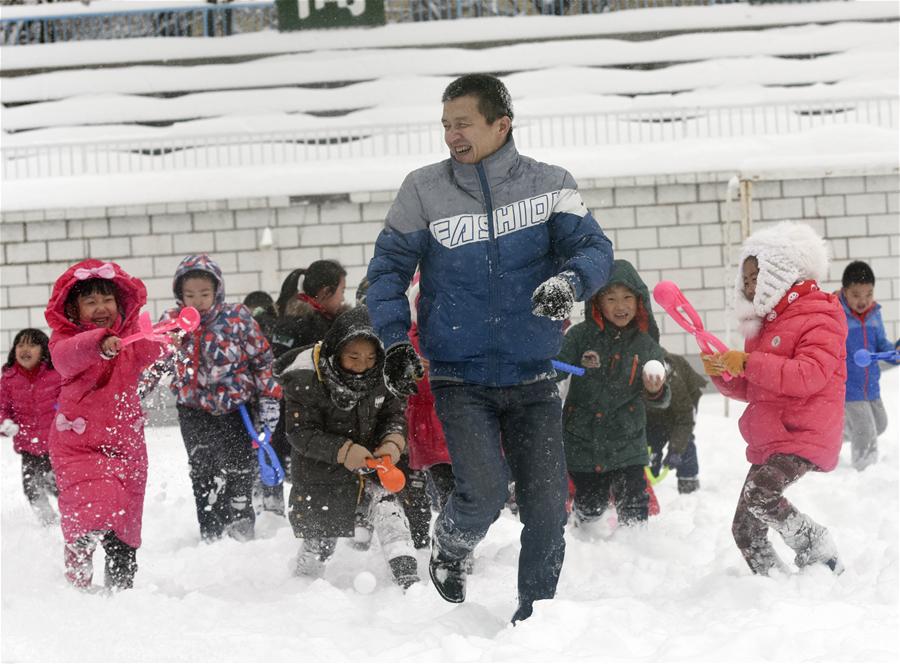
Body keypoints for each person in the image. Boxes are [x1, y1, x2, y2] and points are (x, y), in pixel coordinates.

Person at [366, 73, 613, 623]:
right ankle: (451, 546)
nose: (453, 135)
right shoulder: (423, 189)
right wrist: (392, 341)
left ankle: (536, 619)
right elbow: (386, 272)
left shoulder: (551, 183)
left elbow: (594, 248)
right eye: (446, 125)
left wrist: (570, 283)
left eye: (464, 124)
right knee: (482, 491)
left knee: (548, 509)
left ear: (501, 124)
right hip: (461, 376)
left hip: (532, 376)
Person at [703, 221, 846, 576]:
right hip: (774, 435)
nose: (749, 285)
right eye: (745, 278)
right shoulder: (766, 325)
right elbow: (757, 387)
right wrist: (724, 372)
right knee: (744, 528)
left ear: (781, 272)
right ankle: (773, 586)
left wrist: (749, 361)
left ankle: (816, 544)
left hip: (803, 431)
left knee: (760, 495)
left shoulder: (820, 315)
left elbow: (809, 374)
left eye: (756, 275)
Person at [43, 260, 167, 590]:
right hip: (79, 446)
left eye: (107, 300)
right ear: (73, 309)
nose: (101, 307)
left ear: (120, 303)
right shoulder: (63, 341)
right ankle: (78, 583)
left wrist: (169, 337)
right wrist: (99, 343)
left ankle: (121, 593)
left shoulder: (129, 340)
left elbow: (151, 348)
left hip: (126, 446)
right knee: (92, 511)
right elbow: (69, 356)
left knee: (123, 525)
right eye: (91, 301)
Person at [274, 307, 419, 589]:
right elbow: (300, 432)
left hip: (374, 462)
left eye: (370, 358)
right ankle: (304, 586)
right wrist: (343, 451)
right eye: (353, 357)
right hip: (321, 468)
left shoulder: (382, 375)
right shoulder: (306, 378)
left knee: (390, 513)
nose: (362, 365)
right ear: (335, 351)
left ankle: (407, 577)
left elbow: (394, 415)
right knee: (321, 532)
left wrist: (391, 442)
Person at [157, 254, 282, 542]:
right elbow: (155, 364)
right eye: (189, 295)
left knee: (239, 465)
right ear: (179, 295)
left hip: (234, 409)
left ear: (217, 291)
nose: (197, 301)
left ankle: (240, 519)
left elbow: (262, 360)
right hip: (193, 410)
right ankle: (210, 527)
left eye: (204, 293)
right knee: (203, 469)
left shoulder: (236, 318)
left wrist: (269, 398)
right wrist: (168, 345)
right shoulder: (171, 324)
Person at [556, 260, 669, 528]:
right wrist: (558, 365)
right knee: (589, 507)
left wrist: (655, 389)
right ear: (597, 301)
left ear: (639, 300)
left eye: (628, 297)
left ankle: (635, 548)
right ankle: (589, 546)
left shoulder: (646, 344)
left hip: (626, 440)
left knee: (634, 504)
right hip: (583, 440)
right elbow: (556, 368)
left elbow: (664, 398)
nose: (621, 306)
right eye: (611, 298)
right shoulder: (580, 336)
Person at [838, 260, 899, 471]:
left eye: (868, 294)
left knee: (879, 424)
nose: (863, 301)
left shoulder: (875, 314)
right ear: (845, 291)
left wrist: (896, 352)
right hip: (849, 387)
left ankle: (833, 434)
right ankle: (864, 470)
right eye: (856, 295)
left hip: (871, 385)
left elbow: (883, 346)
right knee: (865, 430)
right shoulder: (837, 315)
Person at [0, 328, 62, 526]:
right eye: (20, 345)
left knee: (61, 489)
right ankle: (49, 525)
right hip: (28, 449)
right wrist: (5, 423)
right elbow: (3, 408)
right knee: (32, 490)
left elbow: (66, 402)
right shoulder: (9, 379)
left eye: (32, 345)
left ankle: (75, 522)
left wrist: (60, 412)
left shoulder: (56, 375)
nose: (25, 349)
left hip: (57, 448)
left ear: (44, 350)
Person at [646, 351, 707, 494]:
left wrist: (676, 450)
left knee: (684, 443)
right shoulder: (634, 383)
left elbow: (685, 419)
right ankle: (648, 475)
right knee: (650, 444)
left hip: (682, 405)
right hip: (648, 413)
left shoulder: (673, 380)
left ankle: (688, 480)